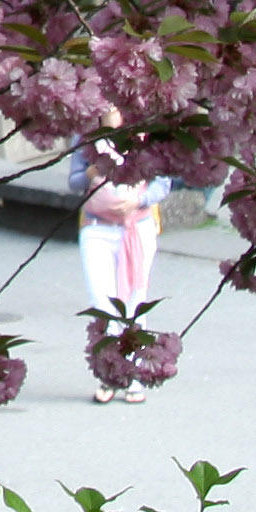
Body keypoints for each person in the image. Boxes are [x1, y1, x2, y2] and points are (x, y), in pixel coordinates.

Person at [79, 169, 167, 403]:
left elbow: (163, 182)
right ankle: (110, 375)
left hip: (137, 229)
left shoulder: (144, 134)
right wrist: (90, 174)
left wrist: (139, 200)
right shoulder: (89, 138)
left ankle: (135, 375)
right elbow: (73, 180)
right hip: (97, 229)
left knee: (134, 304)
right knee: (102, 305)